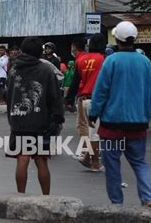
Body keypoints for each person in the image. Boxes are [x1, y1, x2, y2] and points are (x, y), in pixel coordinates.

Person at [89, 21, 151, 207]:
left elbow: (101, 91)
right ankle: (148, 198)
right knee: (139, 162)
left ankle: (117, 202)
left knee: (112, 166)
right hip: (138, 123)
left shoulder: (111, 61)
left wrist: (94, 113)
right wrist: (147, 114)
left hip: (112, 125)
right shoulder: (145, 62)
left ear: (117, 39)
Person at [7, 37, 64, 195]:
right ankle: (46, 198)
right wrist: (58, 118)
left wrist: (11, 118)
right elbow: (55, 97)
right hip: (41, 122)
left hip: (18, 120)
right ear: (40, 51)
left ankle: (20, 196)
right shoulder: (46, 69)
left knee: (22, 158)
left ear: (22, 51)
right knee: (41, 160)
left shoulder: (14, 69)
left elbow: (9, 94)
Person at [67, 34, 106, 171]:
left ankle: (87, 157)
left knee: (90, 130)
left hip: (83, 98)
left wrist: (69, 100)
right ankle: (94, 162)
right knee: (95, 133)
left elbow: (75, 82)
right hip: (97, 99)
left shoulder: (81, 59)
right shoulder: (103, 59)